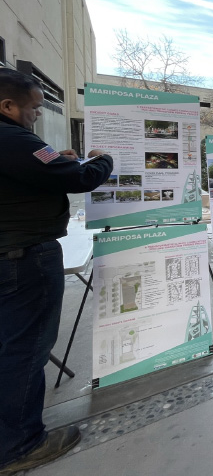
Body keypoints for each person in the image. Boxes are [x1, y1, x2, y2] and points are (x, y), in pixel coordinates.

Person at [0, 68, 113, 473]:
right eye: (32, 109)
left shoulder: (15, 144)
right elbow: (82, 177)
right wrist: (103, 160)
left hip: (10, 255)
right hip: (22, 259)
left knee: (11, 345)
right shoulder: (12, 138)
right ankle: (20, 445)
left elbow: (39, 172)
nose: (35, 116)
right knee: (26, 349)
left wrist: (57, 162)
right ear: (7, 105)